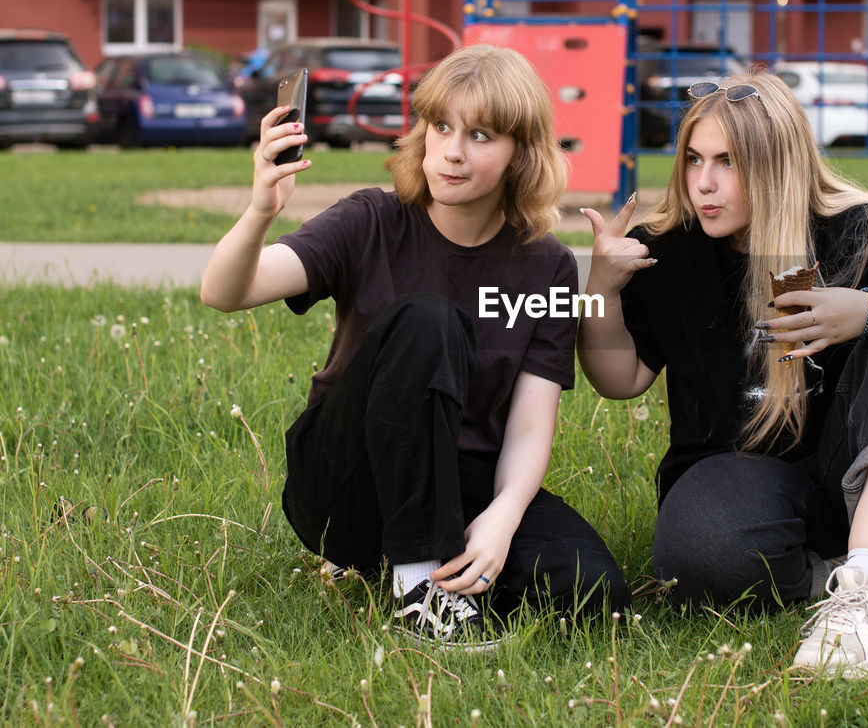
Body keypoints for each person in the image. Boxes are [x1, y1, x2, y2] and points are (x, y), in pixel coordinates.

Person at [577, 72, 868, 679]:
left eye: (728, 162)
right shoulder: (669, 248)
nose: (704, 183)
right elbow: (619, 378)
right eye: (694, 159)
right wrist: (600, 293)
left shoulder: (856, 231)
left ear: (777, 163)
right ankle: (835, 572)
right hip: (736, 478)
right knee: (694, 558)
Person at [201, 44, 628, 648]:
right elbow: (224, 291)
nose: (452, 151)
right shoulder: (372, 220)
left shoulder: (549, 268)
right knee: (430, 321)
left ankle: (440, 566)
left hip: (461, 480)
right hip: (347, 478)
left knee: (591, 593)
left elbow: (531, 427)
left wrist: (501, 524)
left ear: (521, 156)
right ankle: (419, 585)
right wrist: (259, 210)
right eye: (441, 126)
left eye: (481, 135)